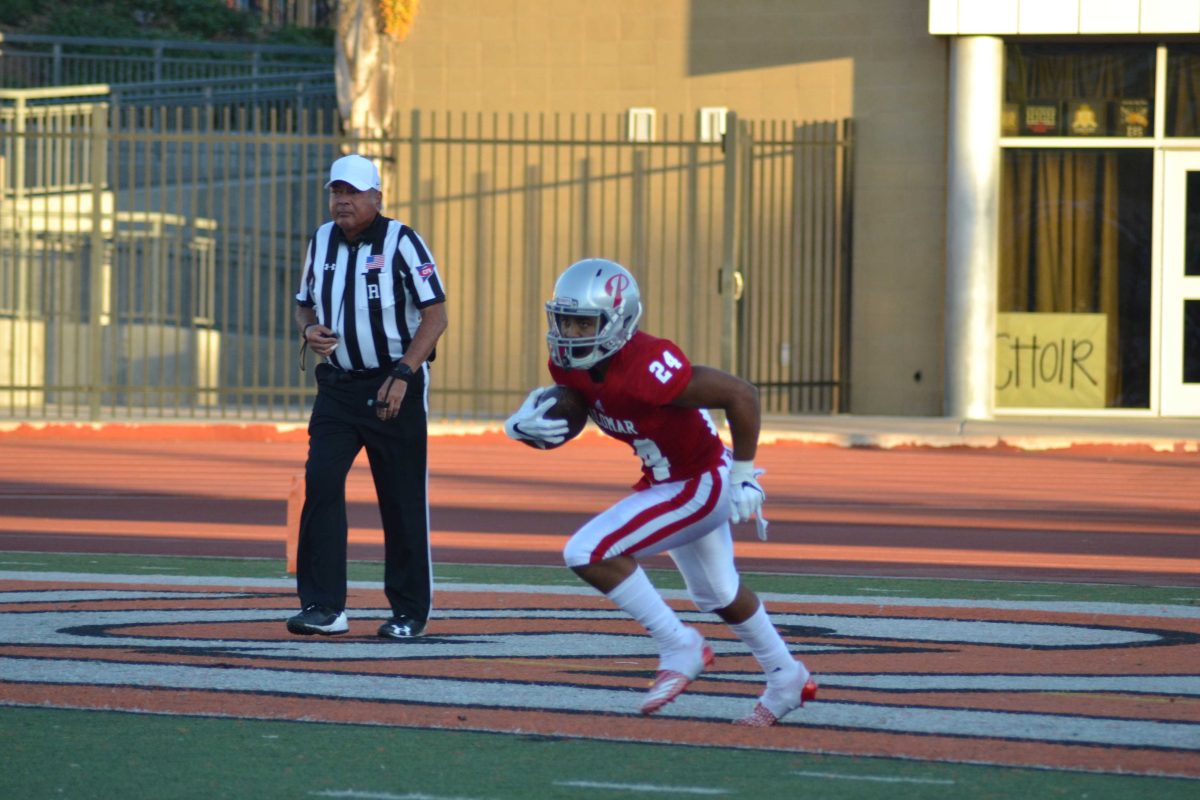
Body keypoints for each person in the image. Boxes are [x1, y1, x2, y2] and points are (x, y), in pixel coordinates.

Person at [504, 257, 816, 727]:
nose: (570, 331)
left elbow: (741, 394)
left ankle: (679, 644)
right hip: (668, 479)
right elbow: (584, 404)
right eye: (565, 319)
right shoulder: (568, 364)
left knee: (587, 550)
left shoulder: (650, 365)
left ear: (618, 320)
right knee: (718, 593)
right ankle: (787, 676)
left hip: (698, 482)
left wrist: (745, 473)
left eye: (584, 321)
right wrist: (521, 426)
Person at [287, 153, 448, 640]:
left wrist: (403, 373)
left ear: (377, 197)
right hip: (337, 386)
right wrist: (309, 329)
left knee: (399, 500)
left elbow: (436, 315)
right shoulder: (321, 239)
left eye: (353, 193)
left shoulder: (403, 241)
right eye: (337, 192)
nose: (343, 201)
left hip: (391, 386)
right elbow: (302, 304)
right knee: (320, 483)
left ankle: (409, 611)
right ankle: (324, 605)